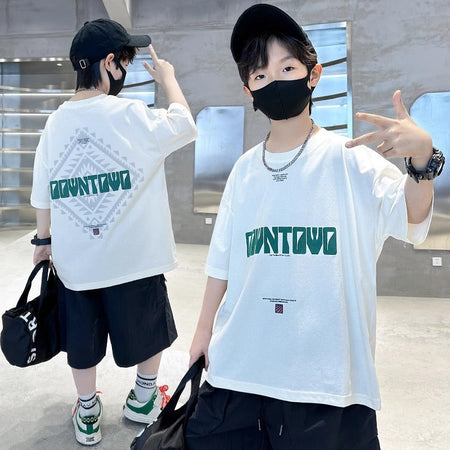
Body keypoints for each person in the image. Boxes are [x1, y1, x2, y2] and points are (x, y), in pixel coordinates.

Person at [186, 4, 444, 450]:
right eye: (261, 75)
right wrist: (203, 332)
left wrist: (422, 161)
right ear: (248, 90)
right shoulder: (244, 170)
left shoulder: (350, 160)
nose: (274, 81)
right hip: (240, 369)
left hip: (328, 383)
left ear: (314, 74)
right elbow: (222, 261)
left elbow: (412, 216)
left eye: (287, 68)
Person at [30, 18, 197, 446]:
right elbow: (184, 124)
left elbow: (42, 189)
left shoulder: (55, 123)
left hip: (77, 263)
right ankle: (143, 399)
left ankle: (87, 412)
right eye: (124, 61)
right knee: (147, 326)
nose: (124, 70)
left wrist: (43, 241)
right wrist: (168, 79)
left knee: (81, 338)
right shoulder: (131, 114)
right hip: (134, 258)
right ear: (109, 63)